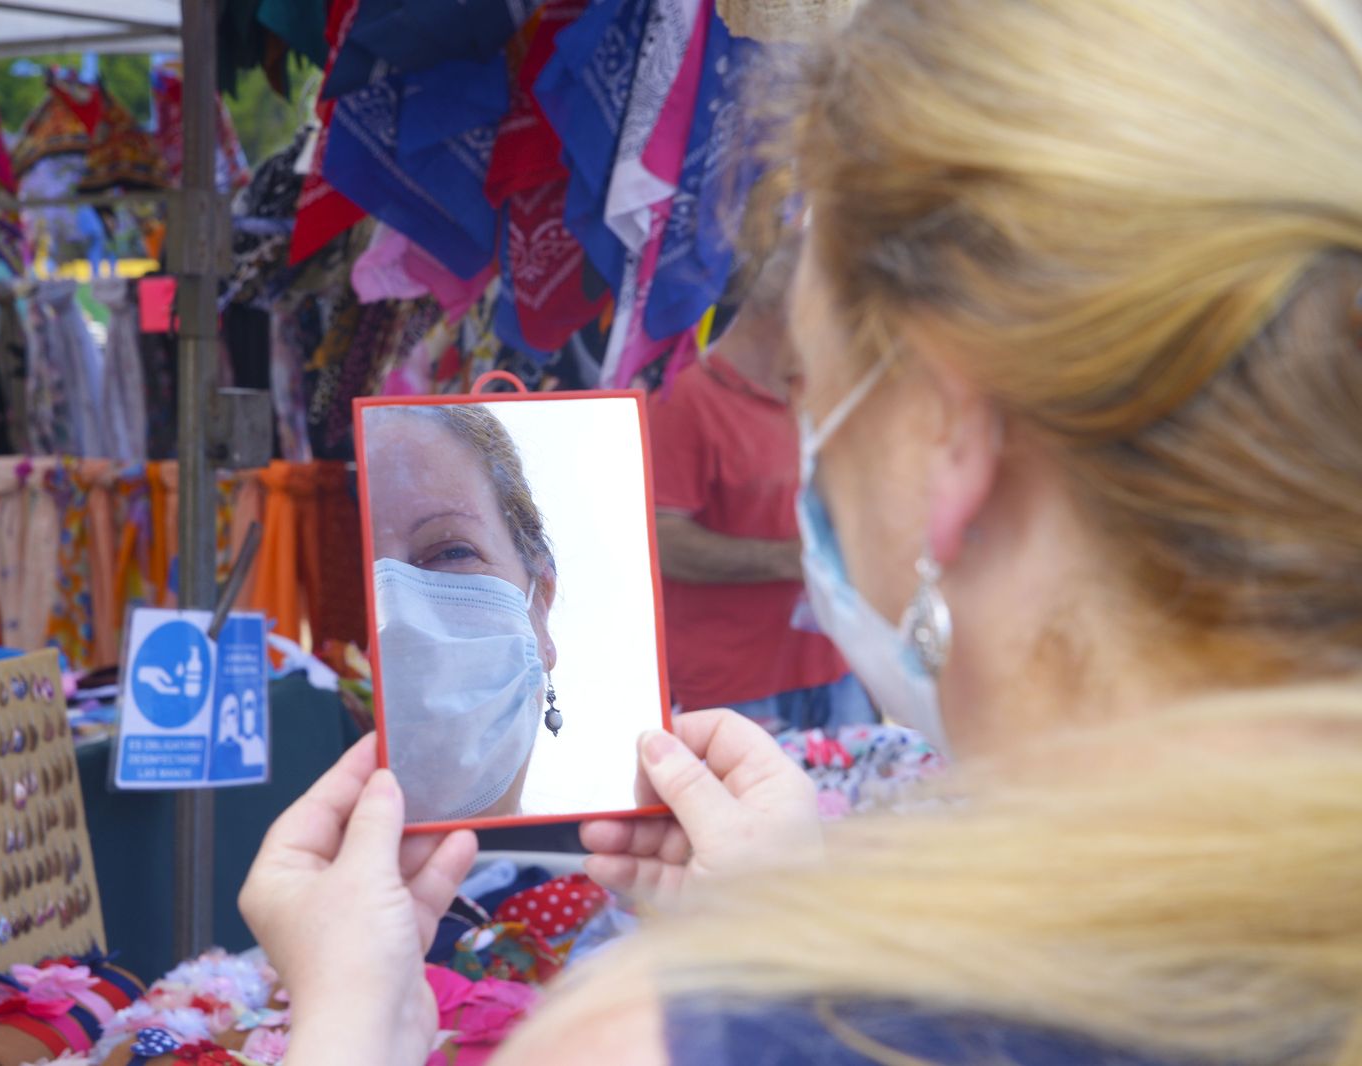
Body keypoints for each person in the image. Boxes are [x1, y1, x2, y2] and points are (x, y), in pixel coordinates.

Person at [240, 1, 1362, 1063]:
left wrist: (354, 1021)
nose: (807, 440)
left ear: (948, 439)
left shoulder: (669, 1037)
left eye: (817, 387)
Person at [651, 235, 873, 731]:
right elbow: (660, 539)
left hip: (838, 666)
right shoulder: (685, 396)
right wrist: (783, 558)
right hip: (735, 687)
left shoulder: (816, 391)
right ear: (798, 315)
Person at [362, 404, 560, 823]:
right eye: (352, 571)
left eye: (452, 552)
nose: (396, 620)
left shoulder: (618, 884)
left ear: (539, 606)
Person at [237, 688, 268, 767]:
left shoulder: (259, 744)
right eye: (247, 706)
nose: (249, 713)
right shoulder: (236, 744)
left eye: (251, 707)